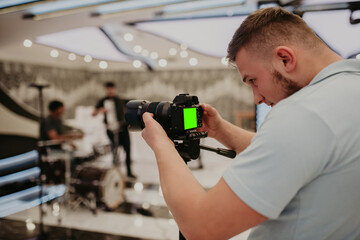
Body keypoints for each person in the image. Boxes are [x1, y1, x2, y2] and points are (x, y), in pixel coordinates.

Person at [140, 7, 360, 240]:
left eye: (253, 80)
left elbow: (200, 227)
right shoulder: (350, 88)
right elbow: (304, 154)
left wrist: (162, 145)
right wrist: (221, 131)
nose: (257, 98)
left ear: (285, 59)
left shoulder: (303, 111)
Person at [93, 82, 136, 179]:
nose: (110, 91)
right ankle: (115, 172)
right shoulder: (102, 101)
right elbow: (93, 113)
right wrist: (101, 110)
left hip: (123, 129)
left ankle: (129, 172)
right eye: (108, 89)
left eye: (112, 89)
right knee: (115, 152)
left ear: (115, 89)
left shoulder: (120, 100)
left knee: (128, 150)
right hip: (111, 130)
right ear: (106, 89)